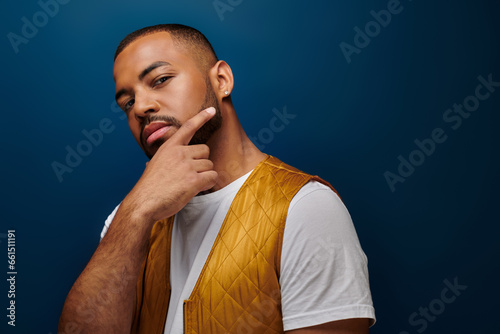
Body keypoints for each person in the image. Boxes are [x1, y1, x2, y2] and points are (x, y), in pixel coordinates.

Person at [59, 24, 376, 334]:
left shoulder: (306, 208)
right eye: (127, 103)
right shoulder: (129, 219)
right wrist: (136, 212)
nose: (141, 107)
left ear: (221, 80)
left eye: (161, 79)